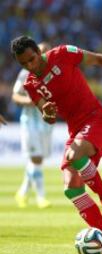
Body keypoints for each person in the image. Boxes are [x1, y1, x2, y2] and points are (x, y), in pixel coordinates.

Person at [11, 35, 102, 254]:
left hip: (98, 121)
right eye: (24, 64)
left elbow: (98, 59)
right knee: (71, 187)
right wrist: (48, 114)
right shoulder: (30, 84)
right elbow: (46, 115)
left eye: (31, 59)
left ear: (38, 52)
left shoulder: (63, 53)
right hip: (76, 132)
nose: (30, 66)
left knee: (73, 154)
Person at [13, 42, 53, 209]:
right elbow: (15, 96)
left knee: (38, 159)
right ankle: (41, 197)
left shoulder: (54, 73)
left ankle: (22, 192)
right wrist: (30, 101)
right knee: (36, 158)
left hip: (46, 123)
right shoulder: (25, 74)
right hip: (30, 122)